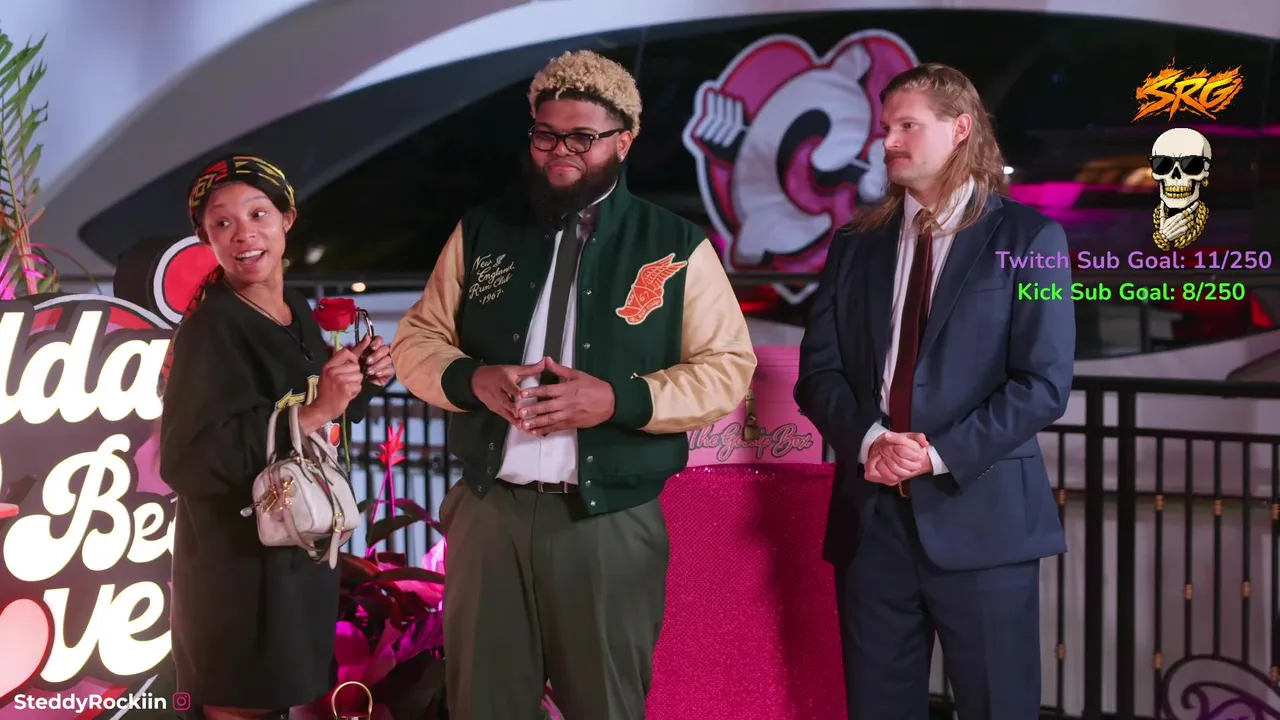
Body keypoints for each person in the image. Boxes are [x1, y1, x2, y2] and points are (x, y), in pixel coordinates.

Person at [391, 49, 756, 720]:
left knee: (604, 706)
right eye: (546, 135)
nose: (560, 151)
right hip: (488, 510)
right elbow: (417, 338)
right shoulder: (483, 230)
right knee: (482, 707)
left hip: (607, 519)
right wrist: (473, 379)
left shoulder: (674, 245)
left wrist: (617, 400)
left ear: (625, 141)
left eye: (582, 137)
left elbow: (726, 367)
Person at [794, 63, 1075, 720]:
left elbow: (1043, 383)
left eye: (907, 126)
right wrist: (871, 441)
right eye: (885, 128)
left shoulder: (1032, 239)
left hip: (984, 521)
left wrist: (935, 454)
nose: (888, 141)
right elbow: (818, 373)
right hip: (872, 526)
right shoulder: (855, 245)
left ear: (960, 129)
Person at [158, 155, 395, 720]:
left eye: (258, 214)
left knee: (281, 703)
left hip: (294, 559)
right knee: (237, 707)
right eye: (222, 223)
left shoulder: (297, 314)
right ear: (206, 239)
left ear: (288, 218)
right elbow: (187, 461)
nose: (243, 233)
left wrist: (359, 381)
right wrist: (314, 411)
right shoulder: (211, 328)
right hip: (235, 571)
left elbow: (314, 415)